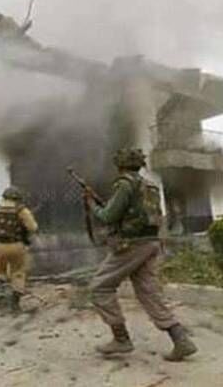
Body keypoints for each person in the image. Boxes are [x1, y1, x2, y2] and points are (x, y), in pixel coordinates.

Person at [85, 148, 197, 361]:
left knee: (100, 287)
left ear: (120, 164)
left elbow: (108, 216)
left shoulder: (124, 184)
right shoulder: (150, 185)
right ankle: (181, 339)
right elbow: (137, 212)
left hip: (132, 245)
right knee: (148, 293)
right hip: (152, 243)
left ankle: (121, 339)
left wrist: (92, 205)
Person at [0, 186, 38, 310]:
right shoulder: (21, 210)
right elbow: (33, 227)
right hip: (16, 245)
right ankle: (15, 302)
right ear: (17, 198)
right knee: (17, 271)